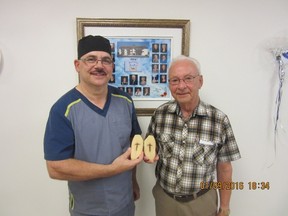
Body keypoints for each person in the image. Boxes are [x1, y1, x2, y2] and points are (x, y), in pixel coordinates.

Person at [44, 35, 143, 216]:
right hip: (86, 209)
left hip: (124, 203)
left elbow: (133, 145)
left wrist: (133, 181)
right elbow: (55, 168)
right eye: (91, 59)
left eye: (106, 60)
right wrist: (112, 170)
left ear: (112, 67)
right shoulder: (63, 109)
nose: (99, 66)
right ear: (77, 65)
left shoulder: (125, 102)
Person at [145, 55, 241, 216]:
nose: (181, 86)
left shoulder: (219, 120)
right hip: (165, 199)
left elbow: (224, 169)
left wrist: (225, 206)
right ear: (169, 85)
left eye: (188, 78)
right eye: (174, 80)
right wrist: (148, 155)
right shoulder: (160, 114)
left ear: (200, 81)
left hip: (201, 201)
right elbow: (150, 147)